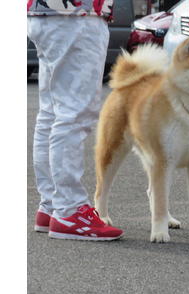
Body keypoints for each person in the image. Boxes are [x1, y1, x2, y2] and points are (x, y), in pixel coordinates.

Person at [27, 0, 124, 241]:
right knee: (75, 113)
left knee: (52, 112)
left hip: (45, 13)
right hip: (79, 16)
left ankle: (52, 205)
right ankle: (69, 210)